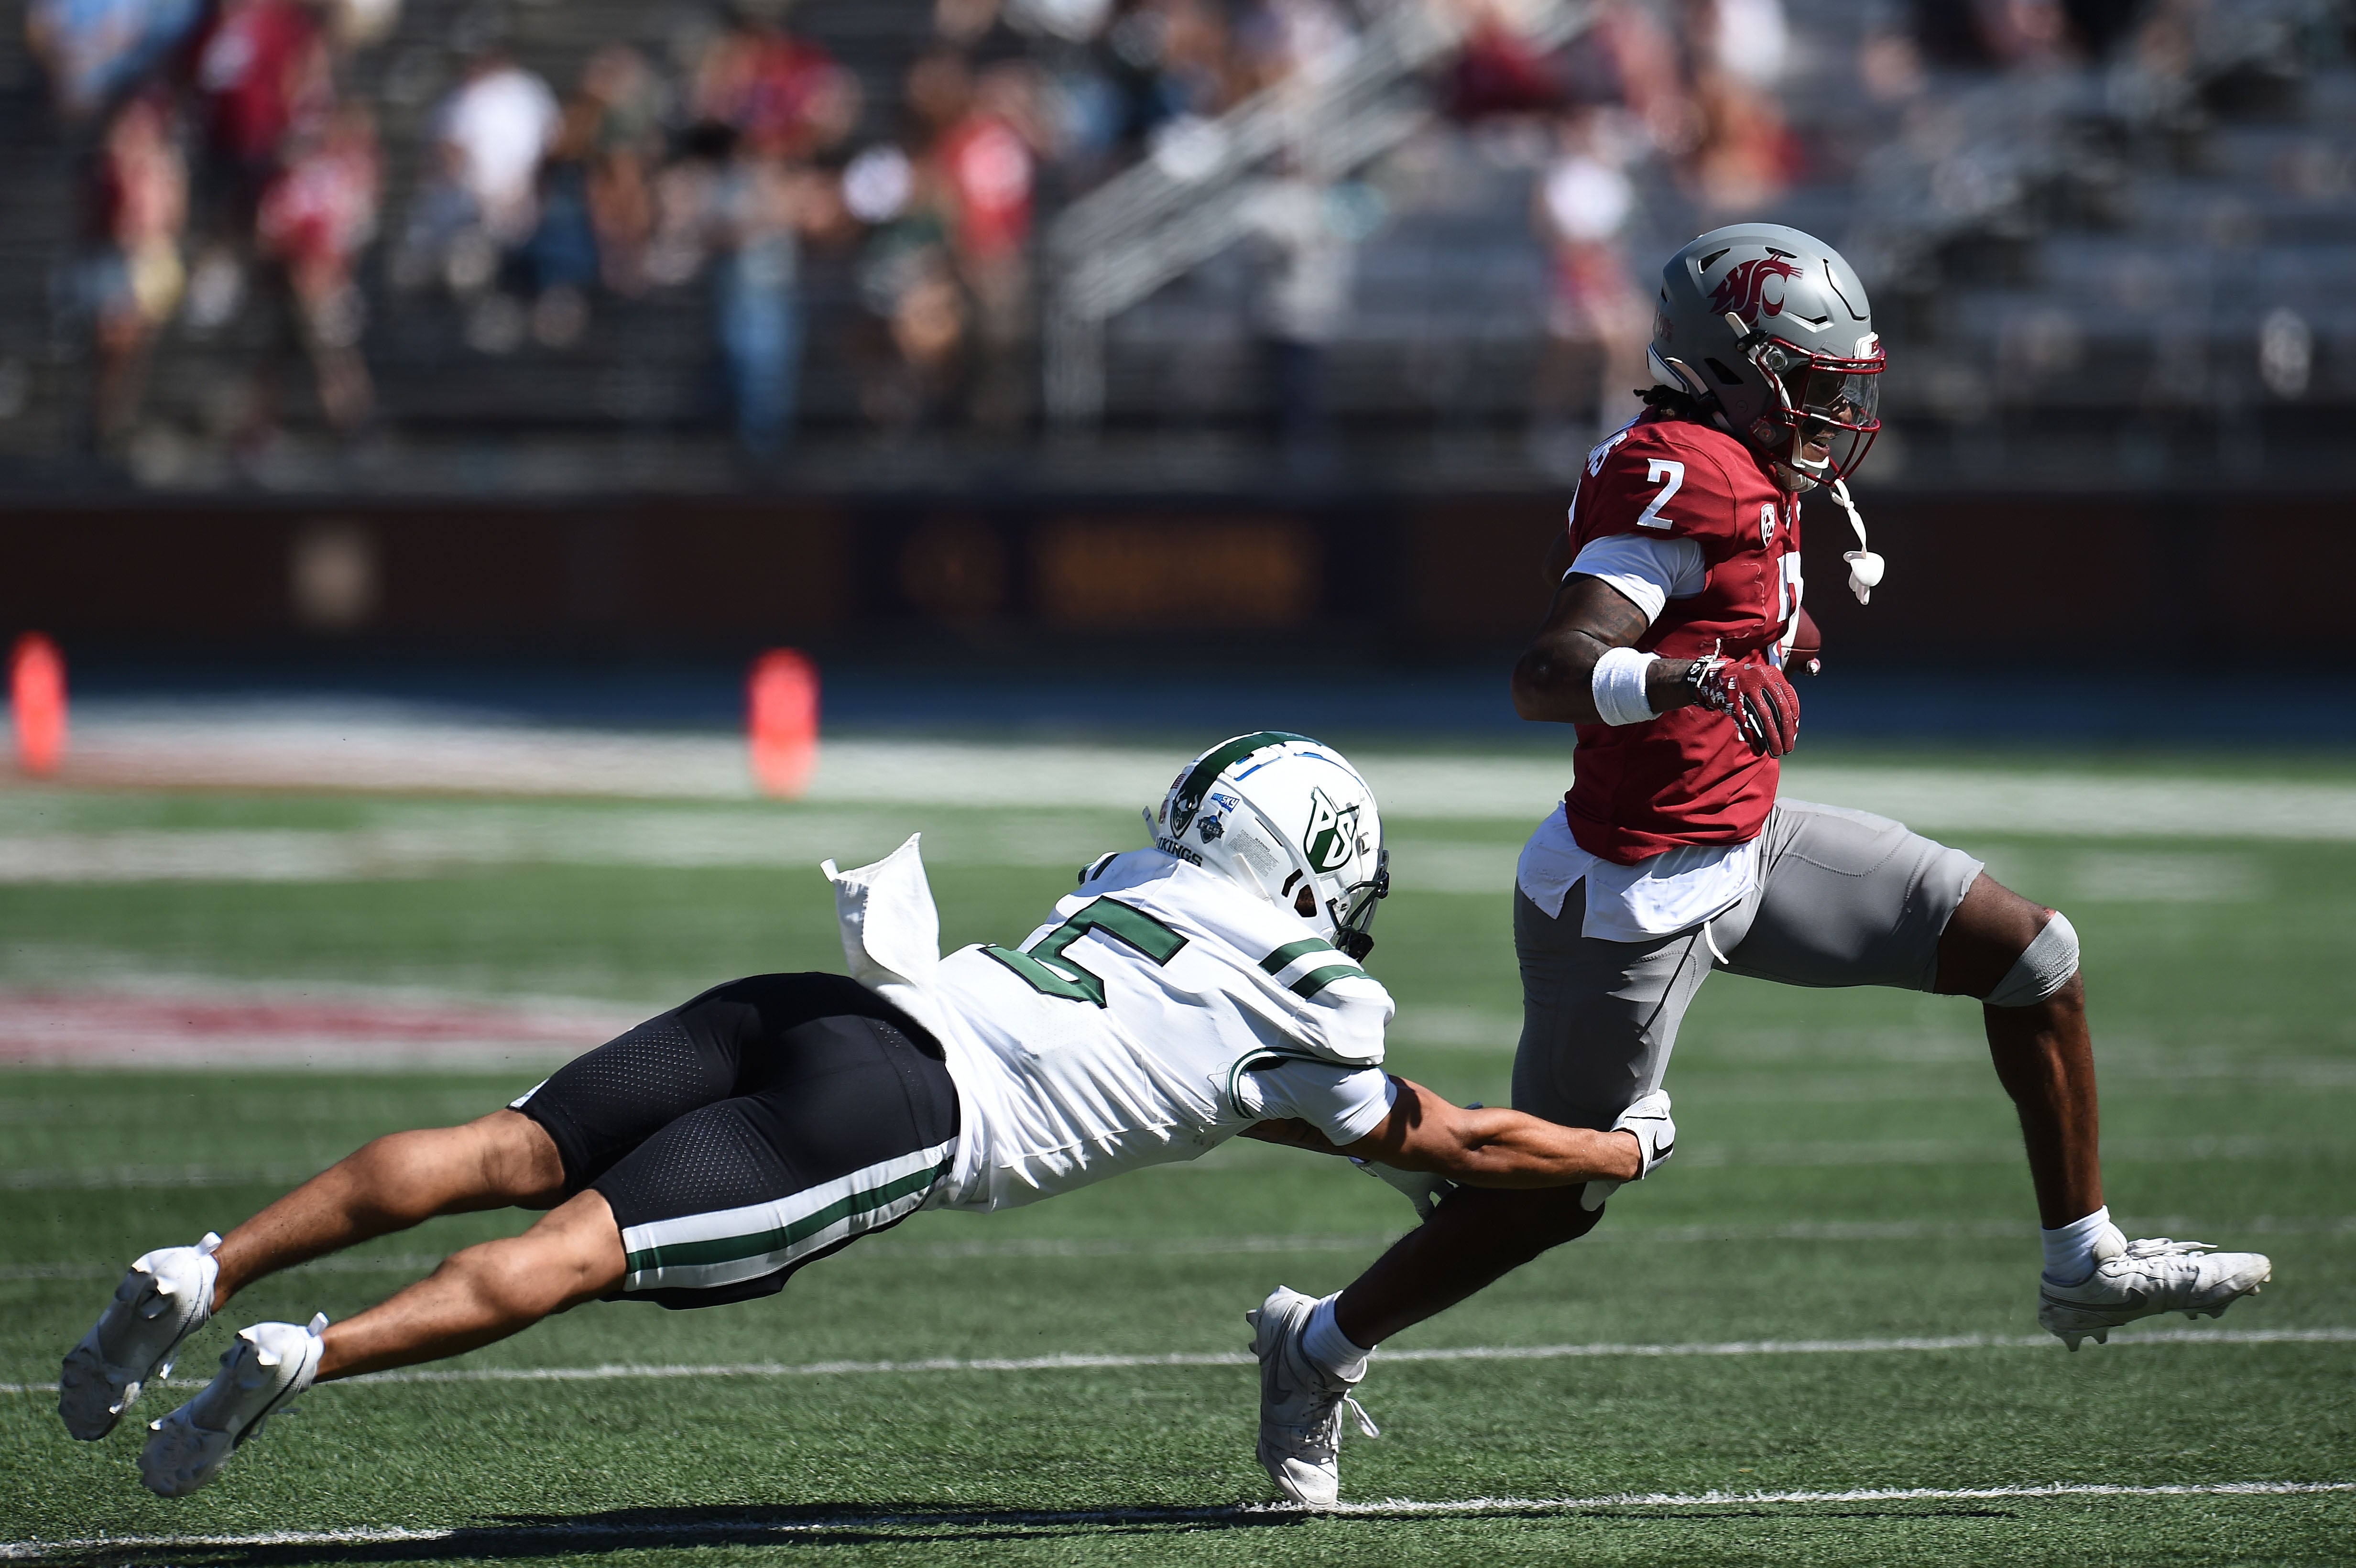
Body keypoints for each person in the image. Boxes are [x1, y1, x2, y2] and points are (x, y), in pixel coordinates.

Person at [1241, 223, 2275, 1508]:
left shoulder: (1744, 460)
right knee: (1550, 1195)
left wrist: (1765, 643)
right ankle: (1317, 1341)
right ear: (1727, 365)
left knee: (2034, 955)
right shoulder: (1685, 472)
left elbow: (1719, 614)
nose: (1840, 409)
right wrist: (1693, 673)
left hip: (1751, 842)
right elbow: (1548, 671)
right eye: (1812, 378)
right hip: (1634, 891)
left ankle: (2085, 1258)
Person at [57, 733, 1675, 1501]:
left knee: (499, 1147)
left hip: (832, 1004)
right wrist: (1620, 1148)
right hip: (900, 1109)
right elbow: (1457, 1146)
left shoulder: (1129, 880)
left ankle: (211, 1266)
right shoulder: (1314, 998)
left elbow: (1195, 1093)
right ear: (1313, 866)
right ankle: (307, 1357)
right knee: (571, 1249)